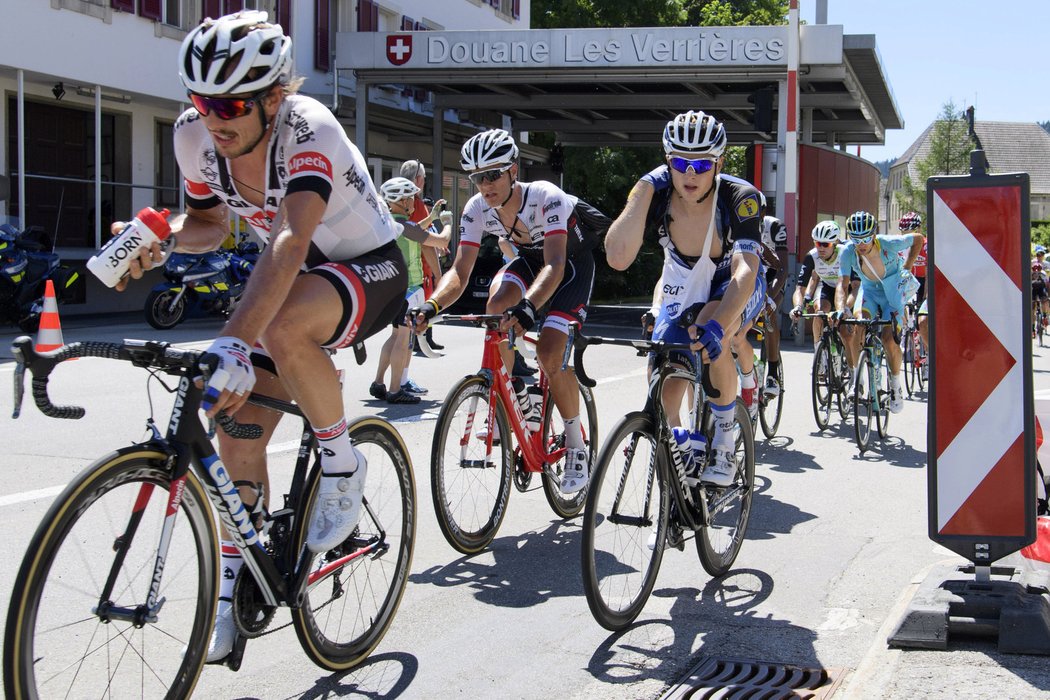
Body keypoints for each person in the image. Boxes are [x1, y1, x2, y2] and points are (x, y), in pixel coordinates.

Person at [115, 11, 408, 663]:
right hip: (296, 279)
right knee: (235, 425)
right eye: (199, 99)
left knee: (275, 327)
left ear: (272, 98)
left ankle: (342, 463)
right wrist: (160, 238)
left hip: (373, 268)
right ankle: (231, 590)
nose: (211, 116)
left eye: (228, 103)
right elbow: (210, 224)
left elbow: (289, 238)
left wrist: (232, 340)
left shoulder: (309, 127)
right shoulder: (196, 137)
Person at [411, 128, 598, 494]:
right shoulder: (476, 209)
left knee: (548, 349)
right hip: (530, 262)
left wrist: (529, 307)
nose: (485, 184)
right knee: (495, 306)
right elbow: (460, 272)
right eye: (478, 177)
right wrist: (431, 306)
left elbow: (556, 264)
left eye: (493, 174)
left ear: (514, 170)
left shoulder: (547, 197)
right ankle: (515, 396)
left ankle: (577, 445)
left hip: (570, 267)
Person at [605, 110, 766, 487]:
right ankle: (681, 448)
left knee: (713, 332)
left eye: (701, 164)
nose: (689, 174)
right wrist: (643, 189)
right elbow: (617, 256)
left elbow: (746, 270)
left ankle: (725, 437)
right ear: (667, 161)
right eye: (680, 162)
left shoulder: (740, 197)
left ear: (719, 163)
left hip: (735, 281)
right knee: (663, 378)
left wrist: (718, 324)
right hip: (683, 284)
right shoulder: (657, 191)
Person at [831, 211, 924, 414]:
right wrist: (839, 309)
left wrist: (907, 267)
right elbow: (842, 284)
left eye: (865, 238)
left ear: (873, 235)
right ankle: (857, 380)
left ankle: (895, 382)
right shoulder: (848, 251)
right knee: (857, 325)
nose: (861, 244)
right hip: (870, 292)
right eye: (856, 239)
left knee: (889, 338)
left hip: (893, 292)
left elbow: (918, 239)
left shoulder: (888, 242)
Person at [370, 177, 451, 403]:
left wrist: (431, 217)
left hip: (392, 289)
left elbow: (413, 231)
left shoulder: (390, 225)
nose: (414, 202)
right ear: (403, 201)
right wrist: (447, 222)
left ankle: (378, 383)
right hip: (410, 289)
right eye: (411, 198)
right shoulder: (408, 227)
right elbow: (440, 240)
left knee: (395, 335)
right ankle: (396, 390)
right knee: (405, 340)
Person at [790, 221, 860, 374]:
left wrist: (846, 308)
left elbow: (855, 286)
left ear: (835, 243)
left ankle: (853, 374)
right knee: (820, 311)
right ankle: (819, 355)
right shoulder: (812, 256)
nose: (820, 248)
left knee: (846, 334)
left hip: (847, 289)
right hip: (828, 286)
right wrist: (798, 306)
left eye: (825, 244)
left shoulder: (846, 253)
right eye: (817, 243)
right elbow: (799, 288)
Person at [400, 159, 448, 352]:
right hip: (417, 270)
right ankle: (421, 339)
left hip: (401, 269)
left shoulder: (398, 203)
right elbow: (425, 241)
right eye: (424, 179)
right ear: (418, 179)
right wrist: (439, 275)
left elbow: (415, 230)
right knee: (420, 312)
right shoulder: (416, 203)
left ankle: (423, 338)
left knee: (400, 331)